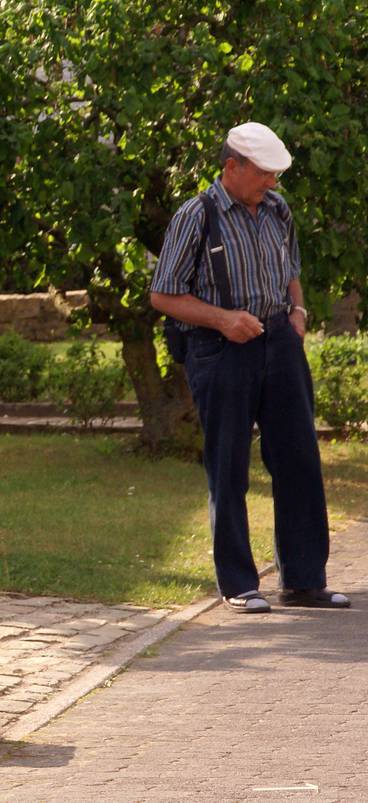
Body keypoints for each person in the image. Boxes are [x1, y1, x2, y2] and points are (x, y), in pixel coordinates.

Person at [150, 122, 350, 614]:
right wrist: (224, 320)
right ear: (231, 167)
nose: (273, 184)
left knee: (300, 459)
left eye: (276, 175)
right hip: (221, 350)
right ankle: (239, 584)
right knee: (229, 466)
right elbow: (163, 295)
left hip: (280, 341)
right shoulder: (196, 216)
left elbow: (291, 270)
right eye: (264, 174)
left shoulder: (278, 211)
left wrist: (298, 312)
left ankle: (304, 581)